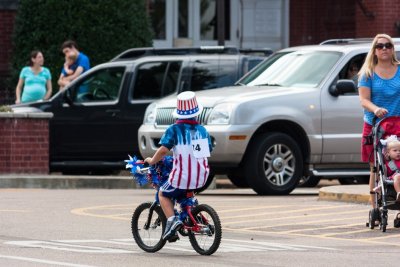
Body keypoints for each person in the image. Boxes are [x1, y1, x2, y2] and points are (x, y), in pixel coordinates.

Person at [144, 91, 213, 241]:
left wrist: (152, 161)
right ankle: (193, 217)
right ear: (196, 113)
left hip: (181, 177)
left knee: (163, 193)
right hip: (201, 177)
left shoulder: (174, 130)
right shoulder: (202, 131)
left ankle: (172, 221)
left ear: (179, 114)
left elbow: (163, 150)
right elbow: (205, 152)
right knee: (185, 195)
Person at [358, 33, 400, 210]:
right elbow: (363, 99)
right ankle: (375, 206)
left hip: (397, 124)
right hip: (375, 124)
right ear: (374, 51)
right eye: (380, 46)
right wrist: (375, 109)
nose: (384, 49)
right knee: (376, 167)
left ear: (392, 49)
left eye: (388, 46)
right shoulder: (367, 73)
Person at [381, 136, 400, 201]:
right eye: (395, 150)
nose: (398, 152)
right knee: (397, 177)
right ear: (388, 153)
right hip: (394, 177)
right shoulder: (388, 163)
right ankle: (399, 193)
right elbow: (386, 174)